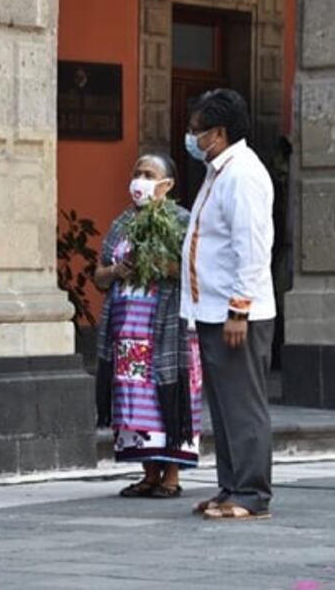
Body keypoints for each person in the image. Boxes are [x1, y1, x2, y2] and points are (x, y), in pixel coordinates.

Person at [181, 88, 276, 520]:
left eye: (197, 131)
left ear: (218, 133)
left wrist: (239, 309)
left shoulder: (243, 174)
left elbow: (251, 249)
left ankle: (252, 494)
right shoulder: (220, 171)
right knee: (222, 406)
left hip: (235, 314)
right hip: (212, 310)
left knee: (243, 404)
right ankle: (231, 486)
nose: (192, 137)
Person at [94, 153, 202, 499]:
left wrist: (158, 264)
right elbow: (98, 274)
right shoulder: (122, 223)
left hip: (168, 331)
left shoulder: (181, 222)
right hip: (128, 334)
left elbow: (193, 270)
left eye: (148, 174)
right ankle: (148, 473)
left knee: (167, 397)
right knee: (134, 399)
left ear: (166, 185)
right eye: (137, 173)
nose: (140, 180)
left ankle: (171, 476)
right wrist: (115, 272)